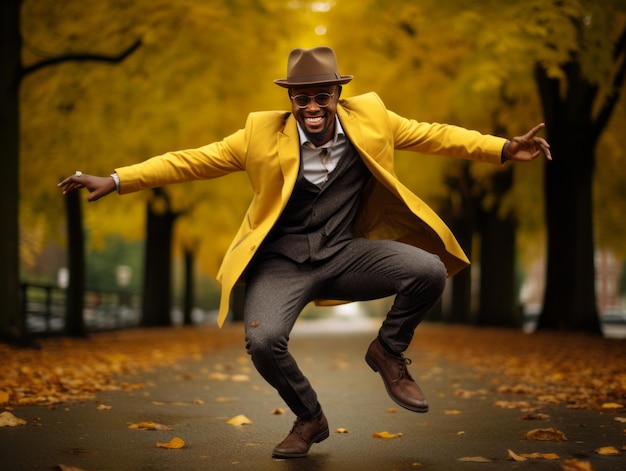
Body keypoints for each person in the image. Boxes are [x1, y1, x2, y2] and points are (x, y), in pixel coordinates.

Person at [59, 46, 551, 459]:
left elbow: (435, 134)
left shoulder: (373, 119)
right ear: (290, 99)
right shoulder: (257, 135)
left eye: (321, 96)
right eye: (301, 97)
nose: (312, 106)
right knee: (263, 339)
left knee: (427, 268)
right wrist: (119, 179)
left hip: (344, 254)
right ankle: (309, 418)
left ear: (338, 95)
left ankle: (388, 351)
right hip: (281, 264)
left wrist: (503, 148)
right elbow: (191, 161)